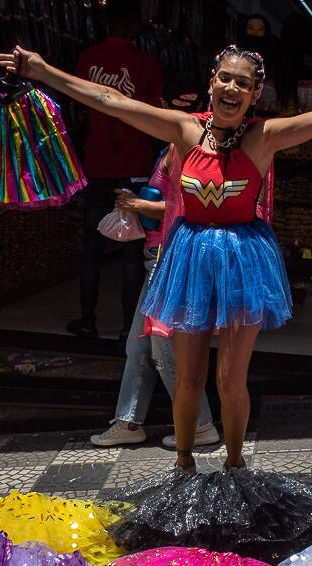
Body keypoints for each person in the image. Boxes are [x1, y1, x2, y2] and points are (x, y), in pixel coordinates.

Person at [0, 42, 312, 470]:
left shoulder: (264, 137)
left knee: (230, 381)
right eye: (225, 78)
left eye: (243, 82)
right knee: (187, 379)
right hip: (189, 259)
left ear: (256, 93)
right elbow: (110, 100)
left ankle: (235, 465)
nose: (231, 88)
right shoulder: (182, 129)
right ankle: (183, 466)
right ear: (211, 83)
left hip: (243, 261)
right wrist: (42, 72)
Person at [90, 145, 220, 449]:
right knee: (139, 344)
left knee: (165, 348)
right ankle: (128, 422)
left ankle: (199, 425)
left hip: (170, 259)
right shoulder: (171, 146)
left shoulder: (191, 150)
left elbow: (190, 206)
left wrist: (136, 204)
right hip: (157, 256)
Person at [69, 0, 164, 340]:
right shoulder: (148, 64)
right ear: (134, 25)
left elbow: (78, 111)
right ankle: (129, 327)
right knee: (132, 252)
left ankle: (88, 322)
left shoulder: (86, 60)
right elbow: (156, 116)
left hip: (98, 164)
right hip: (135, 166)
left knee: (92, 248)